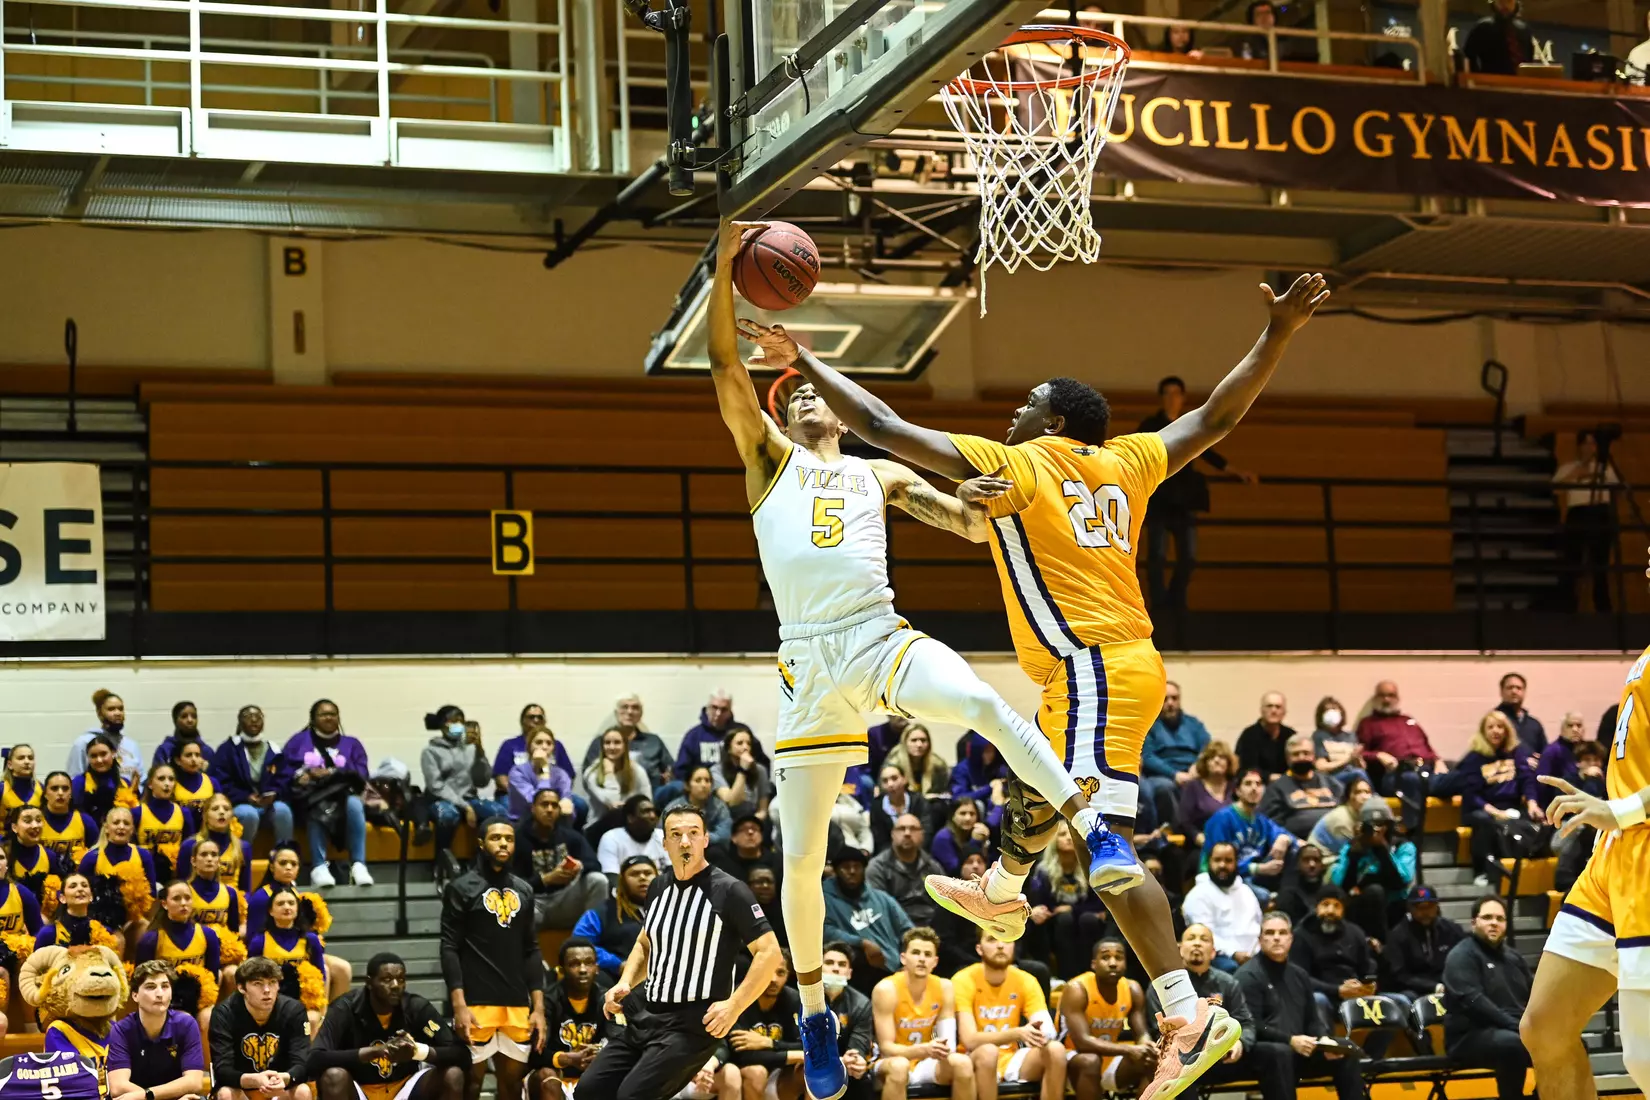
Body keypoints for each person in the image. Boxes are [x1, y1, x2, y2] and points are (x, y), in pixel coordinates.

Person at [772, 262, 1328, 1100]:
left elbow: (884, 424)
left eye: (1027, 402)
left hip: (1094, 663)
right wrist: (1281, 333)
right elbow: (1216, 417)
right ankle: (999, 889)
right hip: (1108, 668)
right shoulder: (1132, 460)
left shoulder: (1026, 462)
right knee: (1040, 781)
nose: (1014, 411)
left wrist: (804, 361)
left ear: (1055, 419)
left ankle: (1185, 1012)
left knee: (1103, 850)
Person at [713, 215, 1140, 1100]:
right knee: (800, 859)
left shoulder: (881, 474)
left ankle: (1091, 832)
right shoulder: (768, 462)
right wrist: (724, 269)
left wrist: (982, 501)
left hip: (878, 637)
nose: (802, 397)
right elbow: (725, 369)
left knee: (987, 704)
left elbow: (970, 522)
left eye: (810, 390)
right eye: (788, 393)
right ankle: (816, 1015)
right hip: (807, 671)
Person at [1521, 556, 1650, 1100]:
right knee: (1544, 1025)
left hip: (1645, 863)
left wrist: (1616, 810)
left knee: (1644, 1063)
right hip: (1612, 862)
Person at [577, 803, 783, 1100]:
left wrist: (735, 1005)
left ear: (705, 840)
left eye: (693, 833)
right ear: (664, 843)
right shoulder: (658, 886)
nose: (685, 841)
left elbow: (769, 953)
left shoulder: (730, 890)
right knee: (588, 1091)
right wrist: (624, 984)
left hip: (692, 1026)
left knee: (631, 1096)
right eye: (676, 834)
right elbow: (646, 943)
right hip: (647, 1012)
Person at [440, 818, 545, 1100]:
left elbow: (531, 949)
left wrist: (538, 1007)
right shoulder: (460, 888)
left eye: (509, 839)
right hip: (475, 1001)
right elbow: (449, 947)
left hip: (515, 1002)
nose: (503, 844)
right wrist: (458, 1003)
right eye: (496, 838)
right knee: (470, 1086)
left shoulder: (524, 890)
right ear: (481, 844)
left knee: (511, 1087)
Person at [1134, 377, 1257, 612]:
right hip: (1160, 498)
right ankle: (1159, 604)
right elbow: (1137, 453)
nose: (1172, 399)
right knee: (1157, 557)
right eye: (1167, 394)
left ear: (1183, 397)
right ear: (1162, 398)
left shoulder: (1189, 424)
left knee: (1188, 557)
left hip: (1183, 499)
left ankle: (1177, 600)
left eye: (1176, 393)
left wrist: (1237, 472)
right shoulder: (1151, 424)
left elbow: (1208, 452)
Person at [1145, 925, 1288, 1097]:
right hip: (1183, 1060)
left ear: (1213, 952)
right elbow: (1158, 1032)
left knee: (1275, 1053)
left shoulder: (1227, 982)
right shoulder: (1161, 987)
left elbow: (1246, 1023)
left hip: (1223, 1057)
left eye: (1203, 939)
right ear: (1179, 949)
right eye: (1191, 938)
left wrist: (1239, 1043)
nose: (1197, 944)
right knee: (1177, 1076)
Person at [1236, 913, 1363, 1100]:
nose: (1276, 938)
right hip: (1264, 1056)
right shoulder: (1248, 976)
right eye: (1270, 933)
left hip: (1299, 1050)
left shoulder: (1300, 974)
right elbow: (1252, 1025)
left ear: (1291, 938)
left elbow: (1312, 1019)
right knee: (1279, 1052)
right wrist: (1290, 1040)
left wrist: (1324, 1040)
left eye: (1282, 932)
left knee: (1345, 1048)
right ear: (1260, 939)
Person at [309, 952, 468, 1100]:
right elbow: (315, 1057)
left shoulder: (415, 1007)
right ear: (369, 983)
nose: (395, 985)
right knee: (334, 1076)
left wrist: (417, 1051)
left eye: (401, 979)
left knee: (453, 1074)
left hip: (405, 1088)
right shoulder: (344, 1008)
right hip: (359, 1090)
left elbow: (461, 1053)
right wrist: (374, 1052)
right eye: (386, 979)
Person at [953, 931, 1062, 1100]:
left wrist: (1040, 1034)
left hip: (1010, 1058)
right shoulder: (962, 980)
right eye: (992, 939)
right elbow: (969, 1040)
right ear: (979, 949)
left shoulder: (1026, 980)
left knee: (1056, 1050)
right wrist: (1017, 1033)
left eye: (1006, 940)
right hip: (972, 1058)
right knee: (988, 1052)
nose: (1000, 945)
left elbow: (1047, 1029)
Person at [869, 927, 973, 1100]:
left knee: (962, 1063)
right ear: (903, 958)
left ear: (935, 961)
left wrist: (939, 1049)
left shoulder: (944, 987)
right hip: (888, 1062)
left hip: (924, 1061)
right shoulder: (886, 989)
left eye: (927, 954)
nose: (922, 959)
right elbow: (887, 1048)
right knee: (899, 1066)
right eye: (916, 953)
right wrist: (924, 1049)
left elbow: (949, 1045)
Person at [1444, 896, 1532, 1099]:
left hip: (1511, 1029)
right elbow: (1473, 1001)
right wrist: (1517, 1026)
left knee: (1572, 1044)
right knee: (1512, 1044)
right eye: (1487, 917)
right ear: (1474, 922)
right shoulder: (1461, 956)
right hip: (1470, 1035)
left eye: (1500, 919)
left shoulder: (1514, 958)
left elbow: (1534, 995)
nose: (1494, 923)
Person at [284, 700, 373, 889]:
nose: (329, 718)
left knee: (355, 804)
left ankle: (359, 864)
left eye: (333, 714)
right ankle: (319, 866)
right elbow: (284, 769)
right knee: (317, 806)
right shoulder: (298, 741)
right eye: (323, 714)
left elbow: (362, 773)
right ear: (313, 719)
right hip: (312, 797)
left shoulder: (352, 744)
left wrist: (332, 772)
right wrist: (302, 774)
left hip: (343, 795)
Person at [1459, 710, 1545, 886]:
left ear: (1507, 730)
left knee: (1539, 821)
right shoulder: (1474, 758)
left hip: (1510, 806)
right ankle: (1481, 871)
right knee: (1485, 822)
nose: (1495, 731)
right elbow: (1471, 794)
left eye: (1500, 727)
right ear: (1483, 731)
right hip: (1481, 808)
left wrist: (1532, 804)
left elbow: (1526, 779)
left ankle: (1527, 873)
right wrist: (1496, 812)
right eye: (1490, 727)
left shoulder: (1516, 753)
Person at [1060, 939, 1153, 1100]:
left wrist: (1147, 1045)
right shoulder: (1077, 989)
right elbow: (1083, 1042)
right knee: (1090, 1061)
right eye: (1105, 958)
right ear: (1094, 964)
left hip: (1109, 1059)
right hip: (1071, 1059)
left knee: (1153, 1060)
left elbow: (1141, 1033)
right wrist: (1129, 1049)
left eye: (1118, 958)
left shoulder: (1133, 989)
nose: (1112, 963)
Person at [135, 881, 229, 1041]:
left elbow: (212, 979)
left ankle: (207, 1066)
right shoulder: (151, 939)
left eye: (187, 898)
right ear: (164, 903)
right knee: (183, 1020)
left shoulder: (208, 935)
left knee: (209, 1017)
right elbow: (141, 982)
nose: (183, 903)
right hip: (163, 1001)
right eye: (177, 898)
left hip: (198, 998)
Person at [209, 956, 311, 1100]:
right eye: (258, 983)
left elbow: (302, 1063)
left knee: (302, 1091)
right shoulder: (224, 1013)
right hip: (242, 1087)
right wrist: (255, 1080)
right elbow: (222, 1069)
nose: (267, 990)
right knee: (225, 1094)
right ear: (241, 987)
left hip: (279, 1086)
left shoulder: (294, 1010)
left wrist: (285, 1078)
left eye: (272, 982)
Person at [107, 961, 209, 1100]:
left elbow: (194, 1082)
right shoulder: (121, 1030)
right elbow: (118, 1086)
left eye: (165, 986)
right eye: (151, 987)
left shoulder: (186, 1024)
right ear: (135, 995)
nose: (160, 993)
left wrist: (147, 1095)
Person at [530, 938, 617, 1100]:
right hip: (557, 1077)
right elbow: (535, 1055)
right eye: (575, 964)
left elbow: (619, 1042)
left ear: (597, 968)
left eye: (589, 963)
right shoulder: (548, 1001)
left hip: (593, 1078)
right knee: (546, 1076)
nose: (583, 969)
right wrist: (569, 1059)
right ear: (562, 970)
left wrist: (600, 1054)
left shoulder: (607, 1000)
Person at [514, 786, 608, 931]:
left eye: (554, 805)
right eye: (544, 805)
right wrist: (546, 879)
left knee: (598, 880)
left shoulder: (571, 836)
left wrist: (580, 866)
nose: (550, 810)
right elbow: (512, 883)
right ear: (533, 808)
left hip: (564, 900)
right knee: (515, 899)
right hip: (534, 902)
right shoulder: (517, 839)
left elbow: (594, 864)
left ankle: (592, 938)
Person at [822, 845, 913, 993]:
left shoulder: (881, 898)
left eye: (857, 867)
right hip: (859, 972)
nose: (852, 871)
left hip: (897, 966)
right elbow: (824, 931)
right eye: (846, 867)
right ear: (836, 871)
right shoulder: (824, 899)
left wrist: (908, 960)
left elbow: (907, 930)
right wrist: (861, 943)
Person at [1026, 820, 1108, 980]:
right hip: (1056, 923)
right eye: (1062, 834)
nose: (1068, 838)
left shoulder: (1090, 867)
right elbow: (1041, 902)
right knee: (1063, 920)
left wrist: (1073, 909)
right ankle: (1065, 976)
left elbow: (1097, 904)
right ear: (1054, 840)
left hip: (1084, 919)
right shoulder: (1043, 871)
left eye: (1072, 834)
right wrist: (1039, 910)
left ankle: (1089, 974)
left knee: (1087, 920)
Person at [1327, 799, 1416, 939]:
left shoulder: (1402, 846)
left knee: (1378, 891)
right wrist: (1353, 858)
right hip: (1360, 908)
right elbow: (1338, 884)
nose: (1376, 829)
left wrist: (1383, 850)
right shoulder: (1352, 847)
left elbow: (1403, 880)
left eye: (1381, 824)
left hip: (1394, 907)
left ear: (1390, 825)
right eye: (1371, 825)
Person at [1355, 681, 1444, 818]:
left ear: (1397, 698)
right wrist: (1378, 755)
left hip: (1426, 770)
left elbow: (1427, 746)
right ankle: (1412, 833)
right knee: (1411, 780)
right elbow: (1360, 753)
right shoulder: (1368, 723)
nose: (1386, 699)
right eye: (1382, 695)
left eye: (1391, 695)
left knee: (1463, 777)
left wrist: (1438, 760)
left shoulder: (1409, 721)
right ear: (1375, 699)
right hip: (1396, 775)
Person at [247, 885, 329, 1032]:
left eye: (291, 903)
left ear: (297, 909)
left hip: (302, 1002)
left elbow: (321, 977)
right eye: (280, 903)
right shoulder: (259, 942)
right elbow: (250, 979)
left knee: (309, 1019)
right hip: (269, 1000)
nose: (286, 907)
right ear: (271, 911)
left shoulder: (311, 940)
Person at [212, 705, 295, 848]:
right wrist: (245, 796)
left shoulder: (273, 749)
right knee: (248, 814)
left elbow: (284, 778)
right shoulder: (228, 749)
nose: (254, 720)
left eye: (258, 716)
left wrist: (274, 794)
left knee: (283, 810)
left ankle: (284, 856)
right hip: (240, 803)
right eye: (248, 716)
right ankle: (242, 858)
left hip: (267, 804)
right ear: (240, 722)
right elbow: (221, 781)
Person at [725, 949, 802, 1100]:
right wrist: (792, 1054)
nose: (773, 979)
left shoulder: (794, 999)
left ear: (788, 975)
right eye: (768, 972)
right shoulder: (738, 996)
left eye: (780, 973)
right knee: (757, 1073)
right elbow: (741, 1055)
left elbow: (806, 1046)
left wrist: (770, 1043)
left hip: (778, 1073)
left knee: (810, 1070)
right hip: (738, 1070)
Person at [1202, 770, 1293, 892]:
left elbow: (1283, 833)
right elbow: (1218, 863)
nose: (1254, 788)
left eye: (1258, 784)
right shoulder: (1222, 819)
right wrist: (1258, 869)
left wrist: (1284, 838)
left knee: (1293, 851)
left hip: (1253, 876)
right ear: (1237, 791)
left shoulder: (1261, 819)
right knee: (1263, 895)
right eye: (1248, 783)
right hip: (1225, 877)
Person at [79, 806, 154, 949]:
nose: (121, 827)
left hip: (132, 919)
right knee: (117, 940)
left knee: (145, 929)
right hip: (100, 920)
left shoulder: (143, 856)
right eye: (116, 822)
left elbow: (152, 894)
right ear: (106, 828)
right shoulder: (92, 858)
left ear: (132, 829)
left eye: (126, 823)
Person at [1180, 843, 1260, 973]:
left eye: (1228, 860)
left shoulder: (1246, 891)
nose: (1222, 865)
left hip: (1252, 955)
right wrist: (1234, 953)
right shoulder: (1198, 894)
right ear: (1209, 862)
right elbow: (1204, 936)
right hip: (1221, 957)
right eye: (1217, 860)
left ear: (1236, 863)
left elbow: (1258, 924)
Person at [1139, 684, 1210, 831]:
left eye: (1174, 698)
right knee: (1165, 788)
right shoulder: (1149, 725)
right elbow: (1147, 756)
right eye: (1165, 699)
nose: (1170, 703)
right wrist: (1174, 774)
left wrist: (1197, 766)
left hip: (1193, 772)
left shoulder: (1193, 724)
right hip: (1162, 775)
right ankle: (1174, 831)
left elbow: (1207, 748)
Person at [1289, 886, 1375, 1007]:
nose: (1330, 911)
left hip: (1354, 994)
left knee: (1398, 1000)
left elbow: (1366, 969)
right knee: (1319, 1000)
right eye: (1325, 904)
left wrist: (1368, 985)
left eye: (1336, 906)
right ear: (1316, 907)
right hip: (1323, 995)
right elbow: (1300, 978)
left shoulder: (1355, 932)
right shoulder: (1301, 935)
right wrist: (1338, 990)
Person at [571, 855, 653, 978]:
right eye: (634, 874)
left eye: (648, 873)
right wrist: (616, 964)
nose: (642, 877)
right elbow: (580, 943)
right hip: (616, 977)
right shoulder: (602, 911)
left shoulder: (670, 908)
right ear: (623, 881)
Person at [580, 697, 673, 795]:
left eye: (635, 708)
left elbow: (670, 769)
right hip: (611, 798)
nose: (630, 712)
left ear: (640, 714)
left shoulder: (654, 741)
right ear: (616, 713)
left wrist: (669, 778)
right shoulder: (600, 742)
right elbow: (588, 778)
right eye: (624, 707)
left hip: (653, 797)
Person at [817, 943, 874, 1100]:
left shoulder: (861, 1003)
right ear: (818, 969)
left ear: (849, 973)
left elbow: (859, 1043)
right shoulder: (804, 998)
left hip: (846, 1067)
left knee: (861, 1078)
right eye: (829, 963)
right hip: (810, 1064)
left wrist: (858, 1060)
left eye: (842, 965)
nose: (836, 969)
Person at [1382, 886, 1461, 998]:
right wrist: (1433, 987)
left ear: (1436, 907)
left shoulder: (1451, 929)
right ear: (1410, 908)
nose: (1425, 912)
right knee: (1409, 996)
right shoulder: (1398, 935)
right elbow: (1400, 975)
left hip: (1447, 984)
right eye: (1420, 908)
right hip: (1414, 989)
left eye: (1429, 907)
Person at [866, 813, 943, 928]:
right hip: (896, 929)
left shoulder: (932, 866)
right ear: (893, 834)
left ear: (922, 835)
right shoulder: (878, 867)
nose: (907, 833)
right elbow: (879, 909)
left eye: (913, 829)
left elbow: (944, 904)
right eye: (901, 829)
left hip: (932, 928)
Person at [1259, 734, 1340, 838]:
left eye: (1306, 753)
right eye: (1296, 754)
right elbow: (1272, 825)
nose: (1301, 757)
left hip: (1333, 840)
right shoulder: (1276, 788)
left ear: (1313, 756)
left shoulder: (1331, 783)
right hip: (1296, 845)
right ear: (1288, 759)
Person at [673, 691, 757, 786]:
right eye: (714, 707)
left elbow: (760, 764)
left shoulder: (742, 732)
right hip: (703, 789)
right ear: (707, 708)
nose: (718, 713)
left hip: (737, 785)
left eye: (724, 709)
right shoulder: (693, 736)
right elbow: (681, 771)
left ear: (730, 711)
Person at [179, 794, 253, 895]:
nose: (222, 812)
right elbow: (182, 885)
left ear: (232, 815)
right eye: (215, 809)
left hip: (233, 903)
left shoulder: (243, 847)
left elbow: (246, 889)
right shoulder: (189, 846)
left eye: (226, 809)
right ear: (205, 815)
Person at [496, 704, 574, 799]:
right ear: (522, 721)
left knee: (579, 805)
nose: (536, 720)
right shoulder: (510, 745)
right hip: (515, 794)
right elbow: (501, 778)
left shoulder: (557, 745)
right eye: (531, 717)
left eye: (540, 717)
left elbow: (568, 776)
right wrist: (526, 794)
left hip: (552, 794)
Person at [68, 689, 142, 781]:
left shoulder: (131, 745)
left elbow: (141, 779)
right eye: (111, 709)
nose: (118, 713)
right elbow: (74, 778)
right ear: (99, 713)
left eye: (121, 709)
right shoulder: (83, 742)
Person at [35, 871, 121, 950]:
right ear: (62, 898)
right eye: (73, 886)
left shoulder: (105, 932)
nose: (80, 889)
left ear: (91, 896)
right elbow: (33, 966)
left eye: (84, 885)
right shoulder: (48, 934)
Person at [579, 731, 652, 821]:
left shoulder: (637, 770)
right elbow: (614, 801)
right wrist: (609, 773)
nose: (612, 747)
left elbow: (647, 800)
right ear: (602, 746)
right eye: (607, 743)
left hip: (632, 823)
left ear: (625, 746)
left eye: (617, 742)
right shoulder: (592, 773)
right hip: (599, 825)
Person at [507, 728, 577, 824]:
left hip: (554, 823)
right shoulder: (517, 772)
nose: (544, 747)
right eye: (539, 742)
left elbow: (568, 808)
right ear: (529, 747)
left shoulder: (560, 774)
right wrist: (544, 770)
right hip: (523, 823)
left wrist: (566, 807)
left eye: (549, 743)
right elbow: (540, 805)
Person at [135, 764, 190, 882]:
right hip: (144, 876)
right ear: (150, 784)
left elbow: (189, 849)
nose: (167, 783)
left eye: (171, 779)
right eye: (161, 779)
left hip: (175, 876)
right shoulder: (137, 812)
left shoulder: (184, 813)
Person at [1177, 741, 1235, 845]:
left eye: (1221, 757)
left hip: (1233, 844)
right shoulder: (1193, 787)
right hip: (1201, 844)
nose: (1216, 760)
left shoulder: (1235, 787)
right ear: (1205, 763)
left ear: (1228, 762)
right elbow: (1184, 821)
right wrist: (1197, 837)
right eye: (1211, 757)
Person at [594, 795, 666, 875]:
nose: (653, 816)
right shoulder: (611, 838)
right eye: (646, 812)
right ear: (630, 818)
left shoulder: (663, 836)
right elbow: (611, 876)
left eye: (654, 812)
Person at [75, 735, 138, 824]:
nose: (99, 760)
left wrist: (135, 790)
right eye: (93, 756)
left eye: (103, 754)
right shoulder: (79, 783)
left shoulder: (124, 783)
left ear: (113, 753)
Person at [40, 772, 99, 867]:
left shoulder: (85, 821)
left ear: (71, 793)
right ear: (45, 793)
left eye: (65, 788)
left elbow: (96, 853)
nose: (60, 793)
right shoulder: (36, 820)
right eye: (54, 788)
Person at [881, 725, 950, 803]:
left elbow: (943, 792)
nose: (919, 745)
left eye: (923, 740)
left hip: (930, 806)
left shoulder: (938, 766)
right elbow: (886, 792)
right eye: (914, 740)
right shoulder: (893, 765)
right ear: (905, 743)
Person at [664, 766, 731, 848]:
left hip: (709, 849)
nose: (704, 785)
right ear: (687, 785)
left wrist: (696, 837)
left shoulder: (719, 807)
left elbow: (724, 836)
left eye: (707, 781)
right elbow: (661, 834)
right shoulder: (673, 808)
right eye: (698, 780)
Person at [1463, 0, 1535, 75]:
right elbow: (1469, 57)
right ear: (1494, 2)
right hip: (1490, 82)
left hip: (1521, 83)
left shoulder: (1524, 30)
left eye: (1509, 1)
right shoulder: (1483, 27)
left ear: (1515, 3)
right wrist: (1477, 79)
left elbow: (1529, 61)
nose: (1505, 6)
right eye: (1501, 1)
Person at [868, 764, 928, 852]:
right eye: (885, 781)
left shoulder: (918, 801)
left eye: (894, 778)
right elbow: (880, 841)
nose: (890, 784)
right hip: (890, 858)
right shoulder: (877, 807)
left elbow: (926, 833)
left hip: (918, 852)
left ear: (904, 779)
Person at [1307, 777, 1371, 857]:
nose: (1364, 796)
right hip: (1322, 860)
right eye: (1357, 792)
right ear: (1349, 796)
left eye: (1367, 792)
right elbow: (1352, 853)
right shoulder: (1341, 819)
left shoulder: (1362, 814)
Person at [1236, 694, 1294, 781]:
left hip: (1288, 786)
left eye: (1278, 707)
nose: (1273, 710)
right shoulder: (1249, 735)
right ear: (1261, 710)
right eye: (1269, 706)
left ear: (1284, 712)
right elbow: (1246, 769)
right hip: (1258, 786)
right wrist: (1270, 777)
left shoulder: (1291, 735)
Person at [1310, 698, 1366, 788]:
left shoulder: (1350, 736)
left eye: (1334, 709)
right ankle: (1373, 796)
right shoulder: (1319, 736)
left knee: (1359, 774)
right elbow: (1321, 767)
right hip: (1331, 778)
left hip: (1352, 775)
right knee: (1358, 774)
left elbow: (1361, 767)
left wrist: (1357, 758)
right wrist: (1348, 759)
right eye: (1327, 710)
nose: (1331, 713)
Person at [930, 798, 992, 876]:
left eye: (972, 814)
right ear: (952, 816)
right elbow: (957, 871)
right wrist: (975, 842)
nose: (968, 818)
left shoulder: (975, 832)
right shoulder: (943, 837)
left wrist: (985, 842)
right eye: (962, 813)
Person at [1271, 842, 1327, 925]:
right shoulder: (1287, 893)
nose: (1312, 864)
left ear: (1322, 865)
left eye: (1316, 860)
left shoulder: (1329, 891)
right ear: (1298, 864)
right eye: (1306, 860)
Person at [1496, 673, 1546, 761]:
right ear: (1501, 691)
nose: (1514, 691)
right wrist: (1523, 761)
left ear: (1524, 692)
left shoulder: (1534, 724)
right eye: (1510, 687)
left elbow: (1544, 754)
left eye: (1518, 688)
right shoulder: (1494, 721)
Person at [154, 703, 214, 775]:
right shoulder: (165, 750)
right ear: (175, 721)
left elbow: (216, 780)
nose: (190, 720)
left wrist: (207, 771)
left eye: (194, 716)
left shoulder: (207, 751)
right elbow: (156, 779)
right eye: (184, 716)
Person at [170, 743, 217, 821]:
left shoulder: (212, 782)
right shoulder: (171, 784)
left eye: (197, 755)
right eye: (188, 755)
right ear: (178, 760)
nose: (194, 759)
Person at [1, 744, 42, 827]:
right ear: (10, 764)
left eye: (30, 758)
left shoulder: (41, 788)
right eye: (21, 758)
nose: (27, 762)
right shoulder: (2, 788)